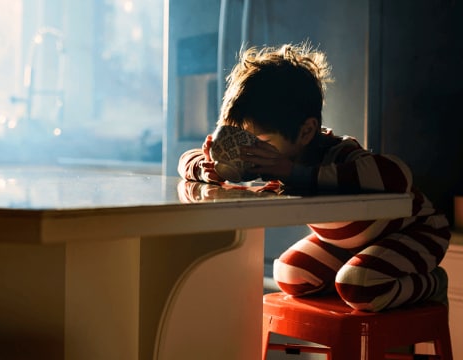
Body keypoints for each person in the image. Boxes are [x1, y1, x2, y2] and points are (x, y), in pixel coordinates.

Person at [177, 43, 450, 312]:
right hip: (348, 244)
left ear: (307, 131)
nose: (251, 151)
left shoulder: (337, 152)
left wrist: (293, 173)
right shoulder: (267, 164)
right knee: (288, 273)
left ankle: (431, 284)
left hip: (416, 232)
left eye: (260, 141)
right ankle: (358, 278)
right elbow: (184, 160)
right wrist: (206, 167)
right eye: (242, 139)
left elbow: (398, 174)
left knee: (360, 284)